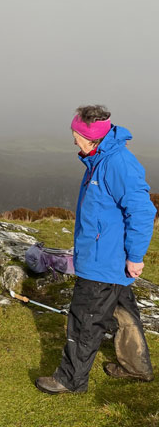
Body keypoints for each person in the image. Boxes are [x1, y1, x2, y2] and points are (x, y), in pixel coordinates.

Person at [35, 105, 157, 394]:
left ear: (88, 136)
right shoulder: (101, 159)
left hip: (104, 261)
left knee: (84, 320)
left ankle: (70, 379)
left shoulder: (117, 164)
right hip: (107, 258)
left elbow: (141, 211)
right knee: (124, 314)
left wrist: (136, 257)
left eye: (75, 133)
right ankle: (136, 367)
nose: (73, 139)